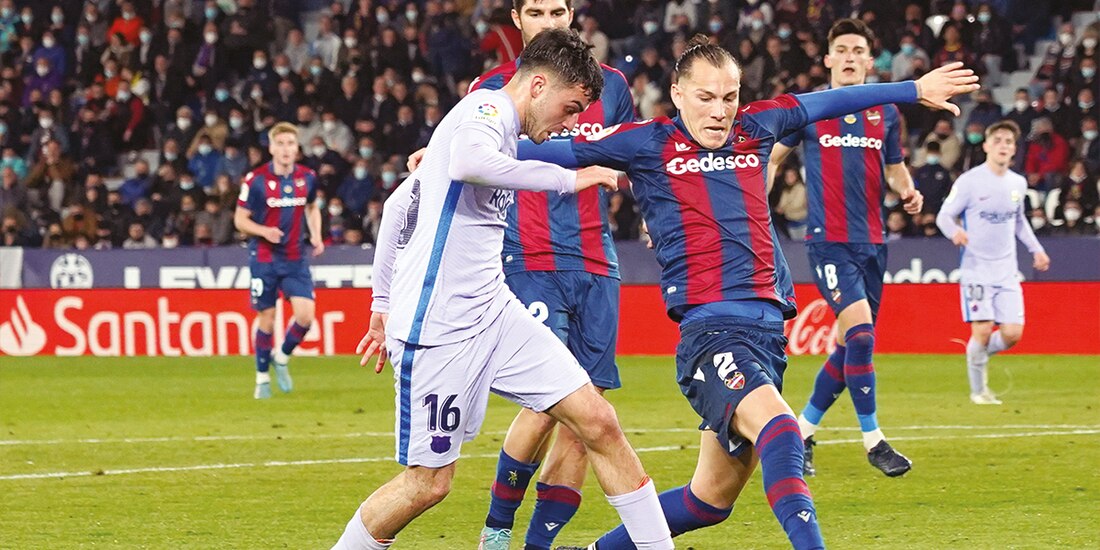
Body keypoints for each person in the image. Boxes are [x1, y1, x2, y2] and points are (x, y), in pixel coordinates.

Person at [521, 36, 977, 549]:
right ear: (677, 94)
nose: (720, 111)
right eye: (705, 97)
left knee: (708, 501)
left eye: (730, 97)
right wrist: (465, 140)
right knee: (782, 429)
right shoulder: (645, 142)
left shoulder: (757, 126)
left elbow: (831, 101)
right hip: (711, 334)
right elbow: (539, 147)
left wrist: (913, 89)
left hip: (767, 337)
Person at [335, 29, 674, 550]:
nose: (571, 123)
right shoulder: (486, 110)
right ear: (537, 86)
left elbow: (401, 206)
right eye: (570, 108)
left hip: (494, 310)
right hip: (439, 329)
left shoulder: (499, 130)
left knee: (597, 419)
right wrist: (569, 179)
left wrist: (380, 304)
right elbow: (469, 164)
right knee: (428, 485)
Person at [465, 2, 636, 548]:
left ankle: (538, 544)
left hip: (597, 263)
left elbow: (633, 158)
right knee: (546, 402)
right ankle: (497, 531)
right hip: (530, 258)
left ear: (572, 12)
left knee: (587, 419)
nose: (550, 20)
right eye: (536, 10)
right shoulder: (491, 90)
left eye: (558, 9)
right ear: (517, 19)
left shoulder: (612, 85)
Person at [767, 19, 919, 478]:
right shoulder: (810, 109)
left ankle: (802, 431)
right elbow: (773, 158)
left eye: (858, 50)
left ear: (870, 61)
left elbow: (894, 167)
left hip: (874, 242)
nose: (850, 57)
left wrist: (908, 191)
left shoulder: (885, 112)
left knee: (851, 346)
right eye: (842, 49)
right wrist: (752, 201)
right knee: (862, 336)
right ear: (829, 59)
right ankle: (873, 440)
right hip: (828, 242)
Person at [935, 120, 1051, 405]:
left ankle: (976, 354)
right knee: (983, 329)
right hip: (976, 269)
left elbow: (1019, 221)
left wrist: (1037, 249)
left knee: (1012, 335)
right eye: (997, 140)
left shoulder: (1017, 183)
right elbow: (944, 216)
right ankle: (979, 391)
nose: (1003, 145)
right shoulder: (969, 181)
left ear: (1014, 149)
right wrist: (955, 232)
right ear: (986, 145)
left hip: (1007, 270)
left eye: (1008, 141)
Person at [233, 122, 324, 399]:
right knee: (267, 318)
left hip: (295, 257)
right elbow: (240, 220)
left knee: (306, 316)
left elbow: (312, 207)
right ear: (271, 148)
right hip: (265, 258)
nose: (286, 149)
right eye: (280, 143)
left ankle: (281, 357)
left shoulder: (307, 177)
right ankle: (261, 379)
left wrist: (316, 235)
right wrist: (264, 231)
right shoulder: (256, 180)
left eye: (290, 144)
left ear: (297, 148)